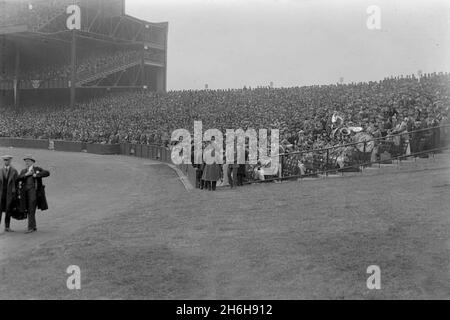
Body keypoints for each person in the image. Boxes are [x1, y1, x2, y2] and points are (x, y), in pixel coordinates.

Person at [17, 155, 50, 234]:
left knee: (31, 209)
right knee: (29, 209)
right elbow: (18, 178)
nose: (26, 162)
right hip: (25, 194)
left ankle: (30, 227)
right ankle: (33, 226)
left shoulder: (37, 169)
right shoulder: (24, 171)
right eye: (25, 161)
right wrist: (26, 175)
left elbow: (47, 173)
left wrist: (36, 175)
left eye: (28, 161)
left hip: (34, 193)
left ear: (32, 162)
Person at [0, 155, 19, 232]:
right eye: (5, 160)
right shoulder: (0, 170)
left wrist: (16, 193)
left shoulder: (14, 171)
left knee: (8, 210)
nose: (6, 161)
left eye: (7, 160)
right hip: (1, 194)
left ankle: (7, 227)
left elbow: (17, 183)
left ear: (10, 161)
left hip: (10, 194)